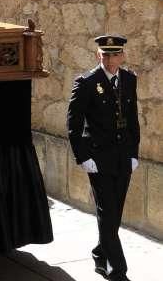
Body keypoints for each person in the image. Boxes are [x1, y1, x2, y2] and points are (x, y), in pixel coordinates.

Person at [67, 34, 140, 281]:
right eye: (105, 55)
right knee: (107, 212)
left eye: (115, 54)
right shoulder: (86, 82)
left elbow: (133, 119)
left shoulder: (129, 79)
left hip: (123, 158)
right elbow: (73, 123)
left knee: (114, 213)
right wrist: (82, 157)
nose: (110, 60)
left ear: (122, 56)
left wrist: (134, 153)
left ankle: (100, 253)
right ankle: (118, 271)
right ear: (98, 55)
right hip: (98, 159)